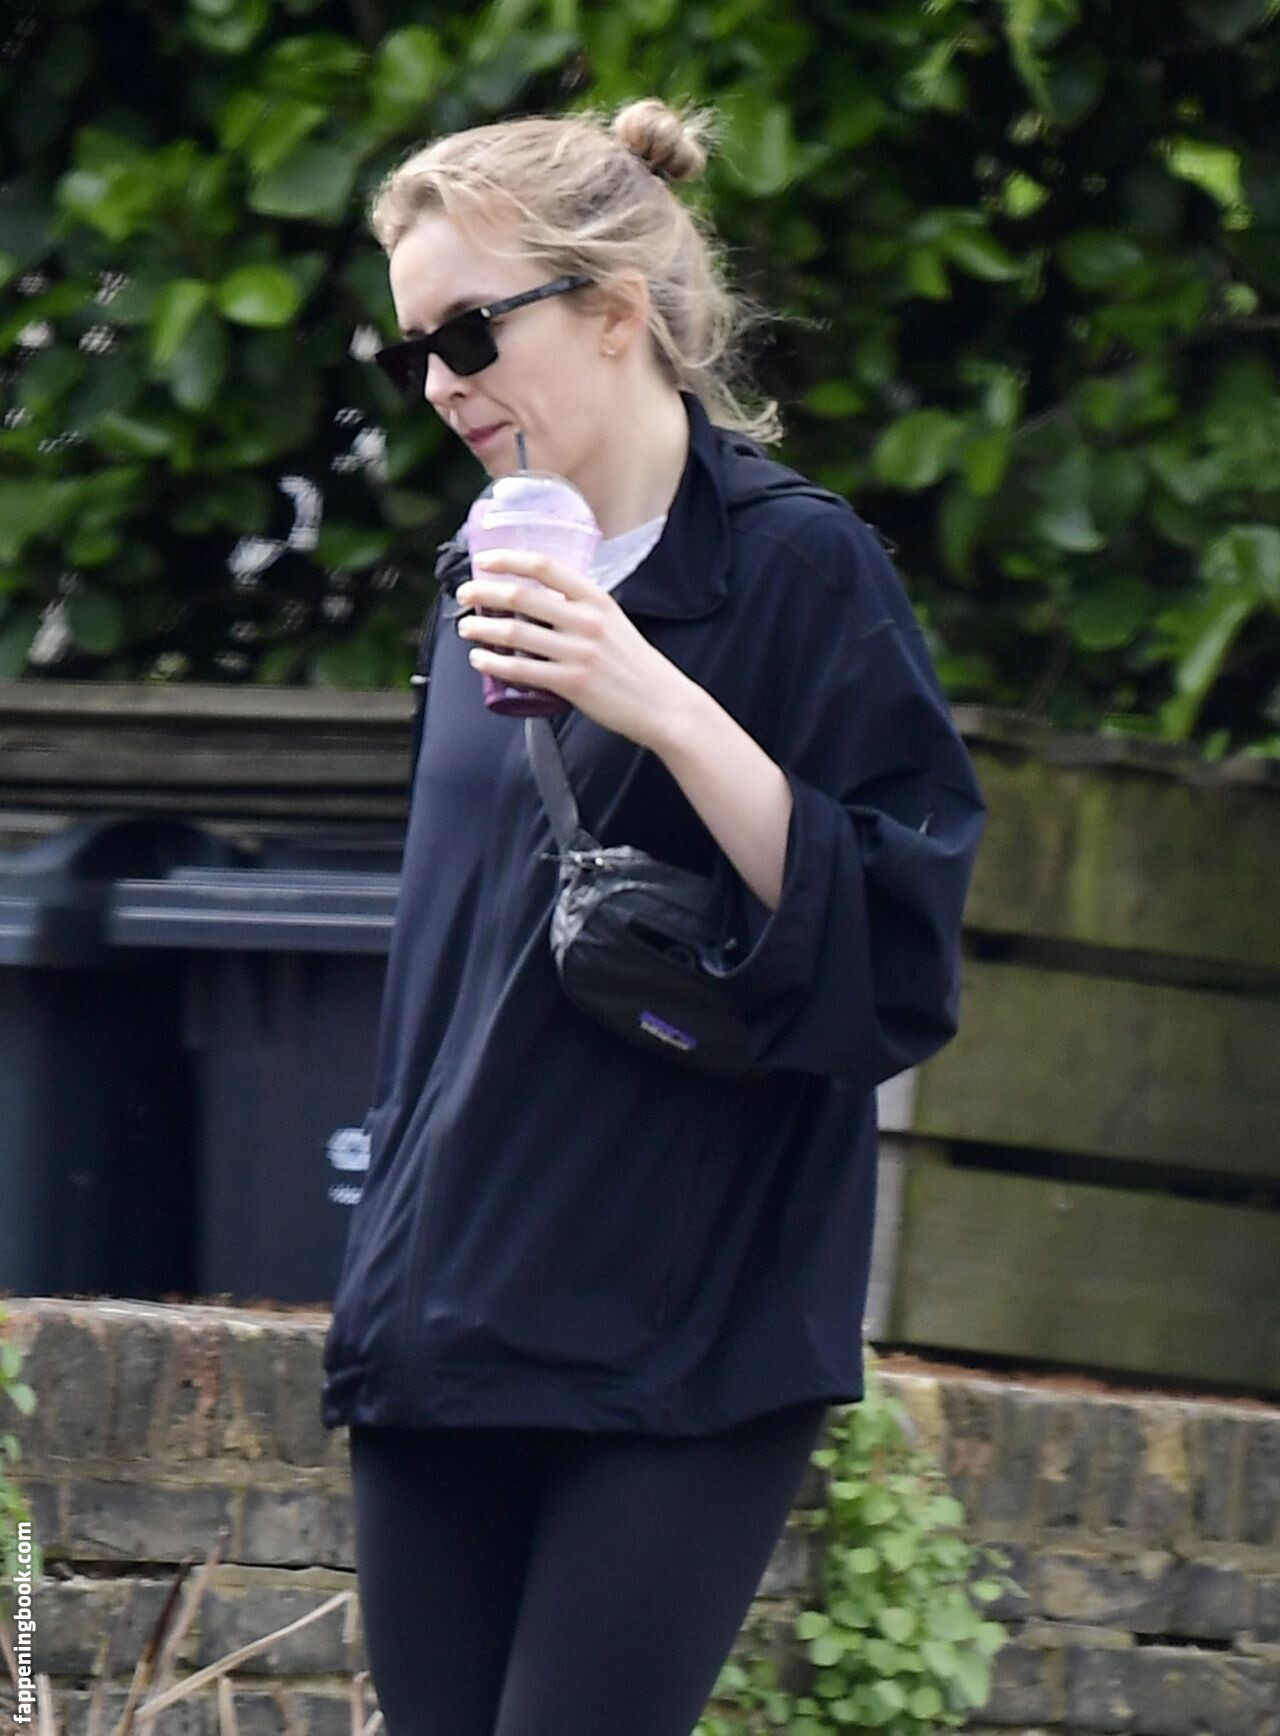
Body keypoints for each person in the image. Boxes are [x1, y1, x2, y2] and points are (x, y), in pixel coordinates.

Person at [320, 97, 986, 1736]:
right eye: (412, 348)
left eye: (468, 333)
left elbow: (900, 942)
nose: (440, 384)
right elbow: (449, 967)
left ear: (615, 309)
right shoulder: (476, 575)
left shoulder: (799, 566)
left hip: (689, 1329)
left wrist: (666, 705)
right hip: (447, 1306)